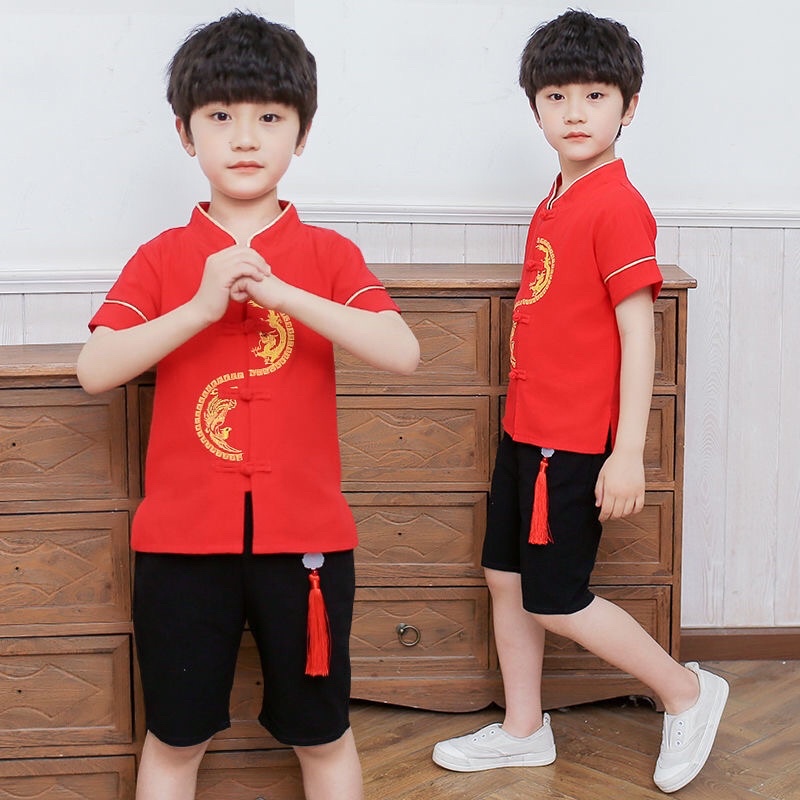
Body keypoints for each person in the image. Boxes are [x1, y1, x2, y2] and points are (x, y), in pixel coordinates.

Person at [77, 12, 419, 800]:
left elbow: (400, 350)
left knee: (323, 736)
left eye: (270, 117)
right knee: (175, 739)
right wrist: (200, 308)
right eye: (220, 116)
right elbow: (96, 368)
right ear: (184, 132)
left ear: (302, 134)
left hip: (308, 545)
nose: (244, 138)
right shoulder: (161, 257)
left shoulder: (329, 254)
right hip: (179, 546)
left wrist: (282, 293)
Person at [431, 10, 727, 794]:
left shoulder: (617, 205)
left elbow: (638, 335)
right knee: (504, 575)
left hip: (572, 440)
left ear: (629, 106)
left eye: (595, 95)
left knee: (555, 599)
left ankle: (686, 692)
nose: (574, 112)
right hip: (525, 431)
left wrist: (625, 452)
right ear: (535, 107)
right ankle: (524, 729)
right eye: (556, 96)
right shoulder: (558, 197)